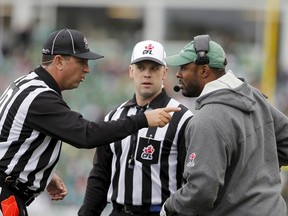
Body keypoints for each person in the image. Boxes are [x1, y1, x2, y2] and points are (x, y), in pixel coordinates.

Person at [0, 29, 180, 216]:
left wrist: (35, 172)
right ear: (59, 61)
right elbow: (86, 135)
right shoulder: (40, 96)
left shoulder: (26, 84)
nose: (87, 68)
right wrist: (142, 120)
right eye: (81, 61)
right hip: (5, 195)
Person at [160, 34, 288, 216]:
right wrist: (257, 173)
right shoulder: (254, 97)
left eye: (183, 67)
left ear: (204, 71)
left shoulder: (207, 119)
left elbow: (200, 192)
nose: (178, 74)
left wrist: (169, 208)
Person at [78, 40, 193, 216]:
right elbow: (100, 176)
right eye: (141, 68)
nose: (147, 74)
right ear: (131, 71)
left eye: (154, 68)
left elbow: (191, 181)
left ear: (164, 72)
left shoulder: (182, 118)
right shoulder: (114, 116)